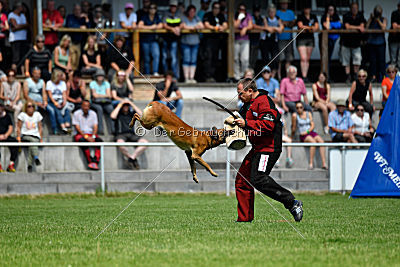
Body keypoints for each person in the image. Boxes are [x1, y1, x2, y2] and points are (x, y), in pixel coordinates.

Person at [233, 78, 303, 223]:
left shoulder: (264, 101)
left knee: (258, 178)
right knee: (242, 180)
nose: (239, 97)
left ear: (250, 91)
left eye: (240, 93)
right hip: (257, 148)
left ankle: (292, 203)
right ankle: (244, 219)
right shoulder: (248, 104)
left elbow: (267, 126)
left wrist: (246, 123)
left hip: (268, 149)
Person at [110, 100, 148, 170]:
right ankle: (131, 158)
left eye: (127, 105)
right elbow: (112, 116)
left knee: (145, 143)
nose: (126, 107)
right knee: (120, 144)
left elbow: (142, 115)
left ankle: (132, 158)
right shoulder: (118, 113)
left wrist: (131, 103)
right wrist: (120, 104)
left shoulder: (132, 113)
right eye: (124, 105)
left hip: (132, 134)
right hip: (121, 134)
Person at [292, 101, 327, 170]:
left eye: (301, 107)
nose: (299, 109)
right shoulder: (295, 116)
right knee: (313, 142)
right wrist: (292, 137)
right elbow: (293, 127)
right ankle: (311, 163)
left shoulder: (308, 113)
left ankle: (324, 163)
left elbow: (312, 125)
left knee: (321, 141)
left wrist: (307, 131)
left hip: (309, 132)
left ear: (303, 108)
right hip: (303, 135)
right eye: (297, 108)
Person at [72, 100, 103, 170]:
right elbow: (77, 128)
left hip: (91, 134)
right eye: (84, 106)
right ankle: (90, 161)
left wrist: (93, 136)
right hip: (80, 134)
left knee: (99, 141)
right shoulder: (76, 113)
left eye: (88, 106)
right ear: (82, 106)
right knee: (83, 141)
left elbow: (95, 126)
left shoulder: (93, 113)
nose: (86, 108)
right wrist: (86, 137)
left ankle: (96, 161)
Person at [203, 1, 228, 82]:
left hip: (218, 41)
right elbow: (206, 24)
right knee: (208, 57)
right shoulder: (208, 15)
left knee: (215, 58)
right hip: (209, 40)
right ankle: (207, 76)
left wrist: (222, 28)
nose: (216, 10)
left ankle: (213, 76)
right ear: (212, 8)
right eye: (215, 8)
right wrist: (215, 28)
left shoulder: (221, 16)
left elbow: (225, 24)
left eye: (218, 8)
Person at [341, 2, 366, 83]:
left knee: (357, 60)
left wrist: (359, 27)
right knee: (346, 61)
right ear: (351, 8)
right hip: (346, 42)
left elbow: (362, 26)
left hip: (356, 42)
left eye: (356, 8)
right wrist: (358, 27)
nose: (355, 9)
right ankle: (348, 76)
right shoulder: (346, 15)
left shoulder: (360, 16)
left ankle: (355, 75)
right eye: (353, 8)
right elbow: (347, 27)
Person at [16, 101, 43, 172]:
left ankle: (30, 165)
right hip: (25, 135)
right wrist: (18, 137)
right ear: (26, 108)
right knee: (32, 141)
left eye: (32, 106)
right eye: (29, 106)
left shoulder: (37, 114)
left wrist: (41, 137)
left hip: (36, 136)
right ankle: (36, 157)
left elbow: (40, 127)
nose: (31, 108)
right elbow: (18, 127)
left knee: (32, 144)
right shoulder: (22, 115)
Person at [138, 3, 162, 75]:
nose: (152, 10)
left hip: (154, 40)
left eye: (154, 8)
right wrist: (151, 27)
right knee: (146, 58)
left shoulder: (156, 16)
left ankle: (155, 71)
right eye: (151, 8)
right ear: (149, 9)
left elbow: (161, 25)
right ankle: (147, 73)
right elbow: (140, 25)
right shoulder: (145, 16)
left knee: (156, 55)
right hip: (145, 40)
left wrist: (155, 27)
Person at [296, 5, 319, 83]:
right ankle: (303, 75)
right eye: (306, 8)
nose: (307, 9)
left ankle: (305, 76)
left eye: (308, 8)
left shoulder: (313, 16)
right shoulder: (300, 16)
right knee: (303, 58)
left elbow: (316, 27)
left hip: (310, 39)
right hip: (301, 39)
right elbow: (300, 26)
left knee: (307, 59)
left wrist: (308, 28)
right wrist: (311, 28)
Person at [181, 5, 204, 83]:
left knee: (193, 60)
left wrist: (192, 27)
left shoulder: (196, 18)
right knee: (186, 59)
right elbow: (182, 26)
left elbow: (201, 25)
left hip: (195, 42)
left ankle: (191, 78)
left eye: (193, 11)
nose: (192, 13)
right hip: (186, 42)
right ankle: (186, 78)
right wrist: (193, 27)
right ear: (188, 12)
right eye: (190, 11)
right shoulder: (184, 18)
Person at [65, 4, 90, 70]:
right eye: (75, 9)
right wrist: (79, 27)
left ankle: (77, 75)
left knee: (79, 60)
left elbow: (89, 29)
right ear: (73, 10)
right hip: (71, 42)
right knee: (72, 59)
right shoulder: (70, 17)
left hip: (81, 43)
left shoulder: (82, 18)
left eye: (79, 10)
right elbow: (69, 25)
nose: (77, 11)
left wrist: (87, 19)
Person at [260, 4, 283, 78]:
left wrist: (275, 29)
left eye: (273, 12)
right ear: (268, 12)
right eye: (270, 12)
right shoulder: (265, 18)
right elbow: (267, 28)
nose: (272, 13)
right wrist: (275, 28)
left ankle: (273, 75)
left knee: (275, 58)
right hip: (266, 40)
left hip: (274, 40)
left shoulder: (277, 18)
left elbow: (281, 28)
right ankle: (266, 74)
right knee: (266, 58)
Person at [46, 69, 71, 134]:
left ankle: (67, 125)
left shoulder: (63, 83)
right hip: (52, 101)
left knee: (67, 109)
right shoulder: (49, 83)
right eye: (60, 76)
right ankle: (61, 127)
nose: (61, 77)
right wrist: (55, 103)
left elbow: (64, 94)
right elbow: (50, 95)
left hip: (61, 100)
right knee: (57, 110)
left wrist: (64, 101)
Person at [366, 5, 387, 83]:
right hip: (372, 43)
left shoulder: (383, 19)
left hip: (381, 43)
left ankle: (382, 76)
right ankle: (373, 76)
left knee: (381, 60)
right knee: (373, 61)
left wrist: (378, 20)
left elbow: (384, 28)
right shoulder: (371, 20)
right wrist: (371, 19)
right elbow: (366, 27)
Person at [90, 68, 114, 135]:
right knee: (99, 109)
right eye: (98, 76)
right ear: (96, 76)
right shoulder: (93, 83)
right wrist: (104, 95)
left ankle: (113, 129)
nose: (100, 77)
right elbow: (94, 95)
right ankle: (100, 130)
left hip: (106, 102)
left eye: (101, 76)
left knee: (110, 108)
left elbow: (109, 95)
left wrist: (99, 95)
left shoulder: (106, 83)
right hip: (95, 102)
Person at [162, 0, 182, 79]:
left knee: (174, 59)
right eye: (172, 6)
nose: (173, 7)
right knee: (164, 58)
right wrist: (173, 29)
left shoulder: (179, 14)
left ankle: (174, 77)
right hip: (166, 39)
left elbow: (183, 23)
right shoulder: (166, 13)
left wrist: (178, 28)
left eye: (174, 6)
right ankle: (165, 76)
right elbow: (164, 25)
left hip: (174, 40)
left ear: (176, 7)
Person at [276, 0, 295, 80]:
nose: (284, 5)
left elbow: (293, 23)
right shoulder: (277, 12)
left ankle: (288, 76)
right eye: (283, 3)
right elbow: (277, 22)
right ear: (280, 4)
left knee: (289, 58)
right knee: (280, 58)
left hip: (289, 38)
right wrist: (286, 23)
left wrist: (284, 23)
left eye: (286, 3)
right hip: (280, 38)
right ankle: (279, 76)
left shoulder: (291, 12)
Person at [233, 3, 253, 82]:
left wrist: (245, 28)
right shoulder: (235, 16)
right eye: (240, 9)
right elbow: (234, 26)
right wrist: (239, 19)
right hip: (236, 39)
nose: (242, 11)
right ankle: (236, 76)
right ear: (238, 10)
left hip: (245, 39)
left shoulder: (248, 16)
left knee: (244, 59)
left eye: (243, 10)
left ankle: (244, 75)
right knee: (235, 58)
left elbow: (251, 25)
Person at [320, 4, 341, 74]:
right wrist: (328, 18)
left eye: (332, 10)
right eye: (329, 10)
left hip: (333, 40)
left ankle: (327, 74)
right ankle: (325, 75)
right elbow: (328, 27)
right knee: (325, 58)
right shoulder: (324, 17)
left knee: (329, 58)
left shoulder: (336, 16)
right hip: (325, 40)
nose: (330, 11)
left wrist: (333, 25)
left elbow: (340, 25)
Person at [8, 2, 29, 72]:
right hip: (15, 39)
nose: (23, 8)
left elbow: (27, 25)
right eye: (21, 7)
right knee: (15, 58)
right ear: (18, 7)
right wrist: (24, 26)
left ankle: (23, 73)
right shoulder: (11, 15)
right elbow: (15, 26)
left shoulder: (23, 15)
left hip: (23, 38)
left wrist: (18, 27)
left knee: (23, 57)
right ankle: (14, 73)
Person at [0, 101, 18, 172]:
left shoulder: (7, 116)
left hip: (5, 136)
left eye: (1, 106)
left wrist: (6, 135)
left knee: (15, 143)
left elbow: (10, 127)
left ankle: (11, 164)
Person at [249, 4, 264, 69]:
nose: (256, 12)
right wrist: (263, 28)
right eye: (255, 11)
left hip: (258, 40)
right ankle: (249, 70)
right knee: (250, 57)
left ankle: (252, 70)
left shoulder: (261, 18)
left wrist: (263, 27)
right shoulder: (251, 17)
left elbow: (265, 25)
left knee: (255, 57)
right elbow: (253, 25)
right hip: (251, 40)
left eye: (257, 11)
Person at [389, 2, 400, 68]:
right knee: (393, 60)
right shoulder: (395, 13)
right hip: (394, 39)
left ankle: (399, 76)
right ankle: (392, 77)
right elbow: (394, 26)